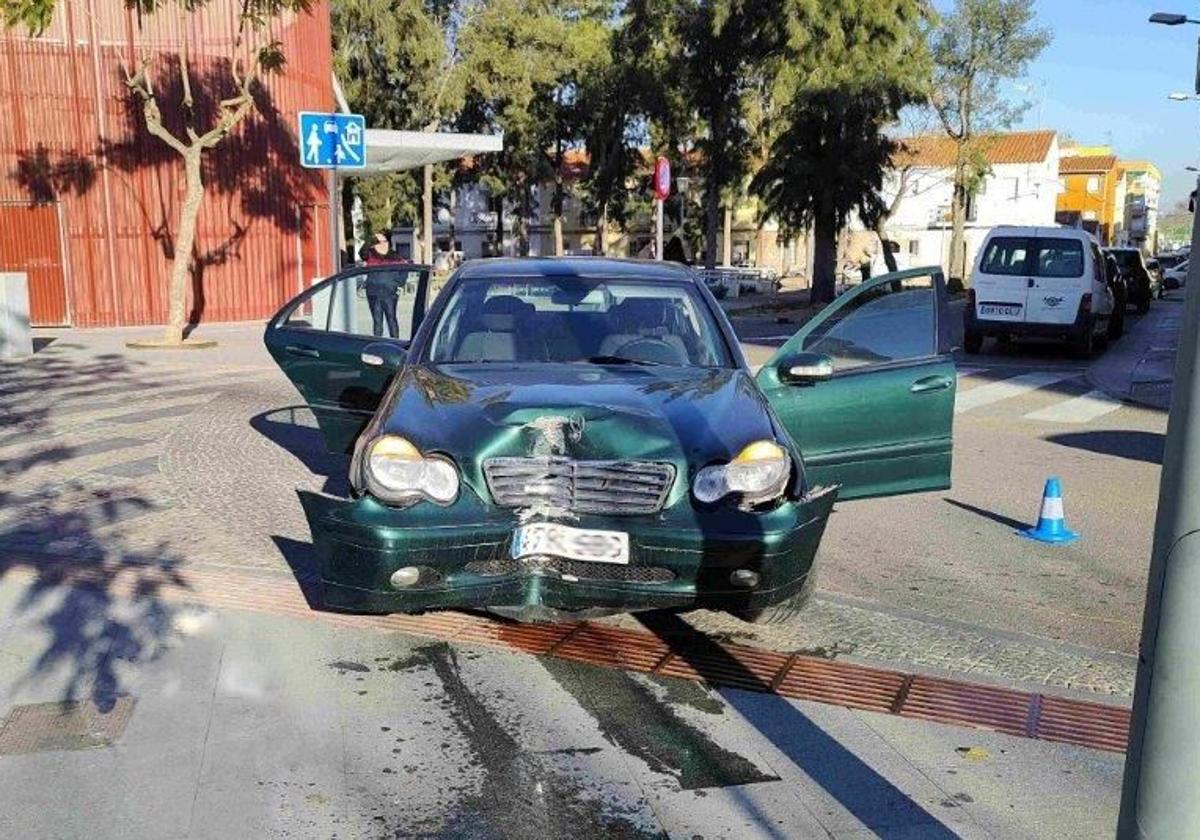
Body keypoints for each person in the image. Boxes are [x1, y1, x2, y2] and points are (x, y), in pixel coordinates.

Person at [363, 234, 401, 338]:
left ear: (388, 243)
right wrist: (371, 240)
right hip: (373, 293)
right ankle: (377, 344)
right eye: (378, 242)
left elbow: (404, 271)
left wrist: (399, 286)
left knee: (391, 319)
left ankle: (395, 343)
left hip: (390, 293)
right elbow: (362, 252)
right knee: (377, 321)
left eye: (384, 241)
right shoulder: (370, 255)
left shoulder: (395, 256)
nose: (382, 244)